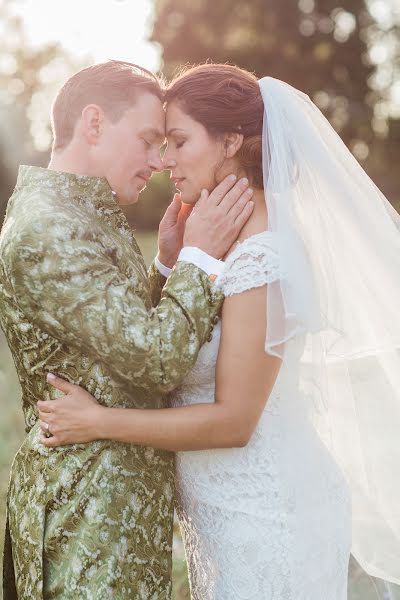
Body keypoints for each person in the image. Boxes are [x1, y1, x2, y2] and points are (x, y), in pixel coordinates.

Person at [38, 64, 400, 599]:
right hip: (225, 517)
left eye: (179, 142)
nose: (164, 162)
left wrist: (98, 422)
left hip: (270, 514)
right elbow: (164, 346)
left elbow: (234, 422)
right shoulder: (217, 245)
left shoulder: (264, 256)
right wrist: (171, 263)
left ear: (231, 140)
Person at [0, 60, 254, 599]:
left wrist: (166, 266)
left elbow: (120, 342)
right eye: (147, 140)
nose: (159, 162)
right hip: (84, 517)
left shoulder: (85, 212)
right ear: (93, 123)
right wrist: (200, 260)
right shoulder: (50, 227)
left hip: (116, 509)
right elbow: (157, 362)